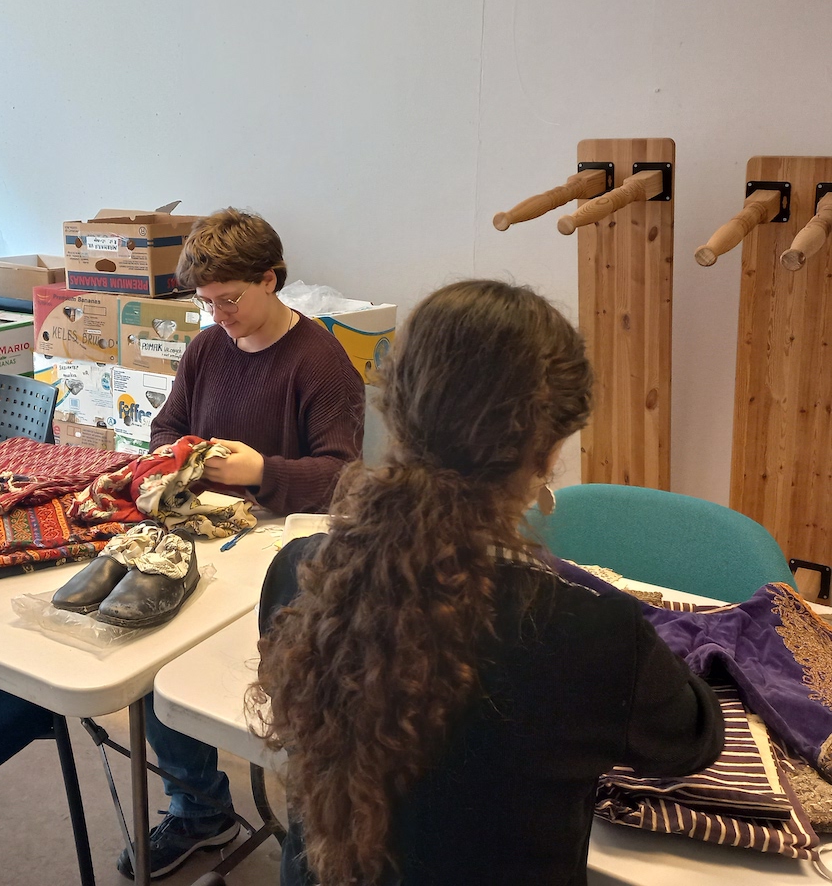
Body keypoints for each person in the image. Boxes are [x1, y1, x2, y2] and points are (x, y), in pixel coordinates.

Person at [252, 280, 725, 886]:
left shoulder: (298, 570)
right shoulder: (592, 633)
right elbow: (692, 740)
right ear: (548, 449)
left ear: (396, 411)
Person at [117, 207, 366, 879]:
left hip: (281, 548)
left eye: (230, 300)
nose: (218, 315)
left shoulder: (321, 362)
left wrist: (264, 471)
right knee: (144, 646)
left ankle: (229, 817)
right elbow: (164, 430)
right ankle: (200, 809)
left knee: (235, 667)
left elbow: (344, 477)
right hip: (209, 536)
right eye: (206, 303)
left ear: (271, 278)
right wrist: (182, 454)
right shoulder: (205, 350)